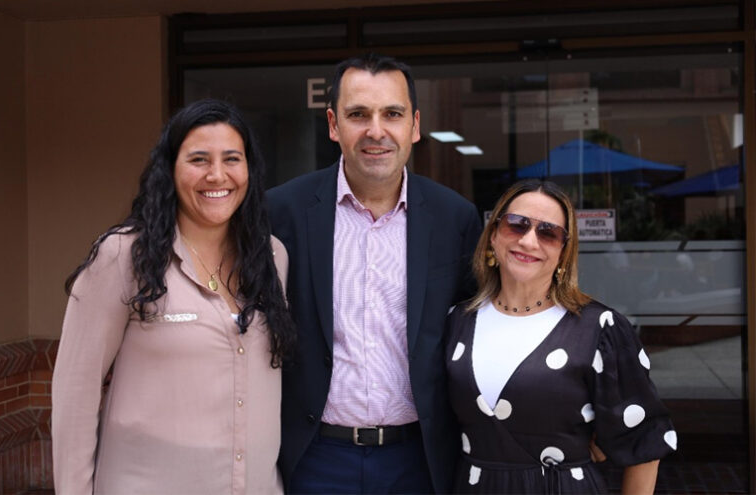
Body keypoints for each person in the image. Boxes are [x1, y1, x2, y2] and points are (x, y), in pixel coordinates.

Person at [51, 99, 296, 494]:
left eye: (232, 159)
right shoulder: (124, 257)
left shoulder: (271, 258)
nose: (217, 175)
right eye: (199, 159)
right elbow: (74, 394)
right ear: (170, 168)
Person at [267, 53, 482, 493]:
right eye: (358, 114)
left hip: (418, 460)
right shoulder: (280, 212)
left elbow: (478, 333)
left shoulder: (454, 219)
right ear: (333, 124)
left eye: (392, 114)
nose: (376, 130)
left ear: (414, 126)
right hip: (315, 458)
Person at [446, 179, 678, 494]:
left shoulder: (600, 328)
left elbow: (644, 445)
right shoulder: (456, 322)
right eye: (517, 225)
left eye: (548, 233)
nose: (529, 241)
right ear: (492, 236)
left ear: (564, 253)